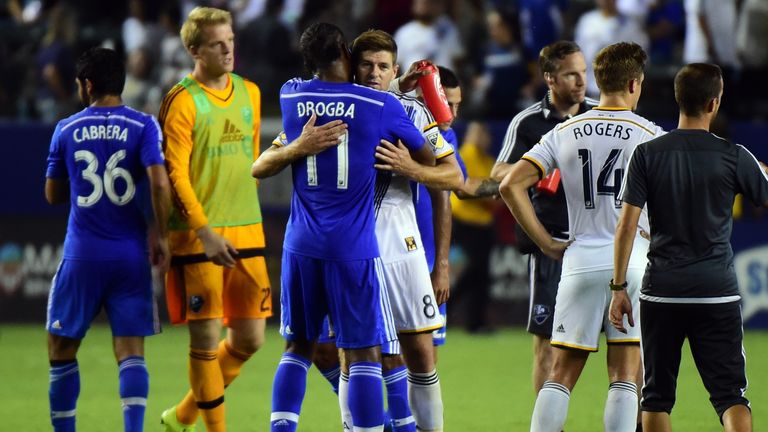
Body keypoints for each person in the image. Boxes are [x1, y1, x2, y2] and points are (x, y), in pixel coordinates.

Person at [251, 22, 430, 432]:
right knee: (365, 353)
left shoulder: (292, 95)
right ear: (347, 53)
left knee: (298, 347)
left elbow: (264, 163)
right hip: (353, 247)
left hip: (301, 244)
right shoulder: (379, 105)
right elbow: (426, 153)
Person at [500, 42, 663, 432]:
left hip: (579, 259)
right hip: (633, 263)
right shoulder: (650, 134)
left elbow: (509, 185)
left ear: (599, 81)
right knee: (625, 372)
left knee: (560, 372)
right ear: (633, 83)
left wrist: (545, 242)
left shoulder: (565, 131)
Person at [610, 63, 768, 432]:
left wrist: (618, 288)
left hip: (662, 291)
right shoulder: (733, 155)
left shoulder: (647, 154)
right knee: (731, 396)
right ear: (715, 102)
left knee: (656, 396)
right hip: (717, 292)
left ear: (678, 99)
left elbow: (626, 226)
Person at [158, 7, 272, 432]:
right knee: (205, 344)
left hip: (247, 231)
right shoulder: (182, 100)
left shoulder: (251, 92)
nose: (228, 50)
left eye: (231, 41)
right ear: (193, 50)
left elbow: (254, 160)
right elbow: (175, 174)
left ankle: (183, 415)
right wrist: (203, 231)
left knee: (250, 339)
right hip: (197, 239)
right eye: (217, 44)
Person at [44, 47, 171, 432]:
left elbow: (52, 195)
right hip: (130, 254)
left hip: (83, 253)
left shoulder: (66, 128)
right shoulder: (144, 125)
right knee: (131, 352)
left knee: (60, 350)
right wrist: (161, 235)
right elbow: (159, 182)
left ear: (86, 85)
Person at [349, 30, 462, 432]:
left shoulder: (413, 112)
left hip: (402, 247)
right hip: (349, 249)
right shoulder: (334, 108)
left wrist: (442, 263)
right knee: (352, 355)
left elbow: (448, 178)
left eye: (383, 67)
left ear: (394, 70)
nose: (374, 73)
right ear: (352, 68)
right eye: (366, 65)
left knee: (419, 353)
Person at [489, 40, 597, 396]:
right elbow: (499, 171)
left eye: (583, 73)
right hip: (554, 245)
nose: (581, 82)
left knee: (626, 344)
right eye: (571, 74)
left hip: (601, 240)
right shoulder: (529, 122)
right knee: (547, 345)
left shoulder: (600, 115)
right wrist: (541, 170)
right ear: (549, 78)